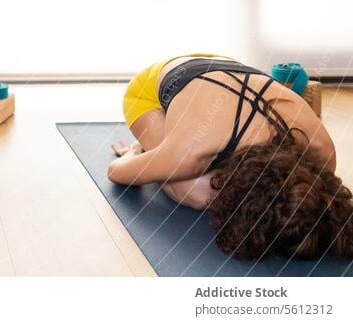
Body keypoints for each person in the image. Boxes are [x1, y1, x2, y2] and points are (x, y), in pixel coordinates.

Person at [110, 53, 353, 260]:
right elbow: (115, 171)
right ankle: (159, 146)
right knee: (197, 192)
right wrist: (138, 154)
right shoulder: (189, 154)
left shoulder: (323, 152)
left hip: (223, 66)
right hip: (152, 86)